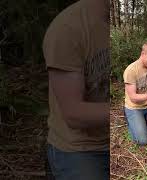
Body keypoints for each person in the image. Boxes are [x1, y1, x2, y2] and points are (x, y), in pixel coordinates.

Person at [42, 0, 109, 179]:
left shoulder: (117, 26)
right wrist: (128, 107)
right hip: (79, 149)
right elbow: (74, 114)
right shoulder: (67, 29)